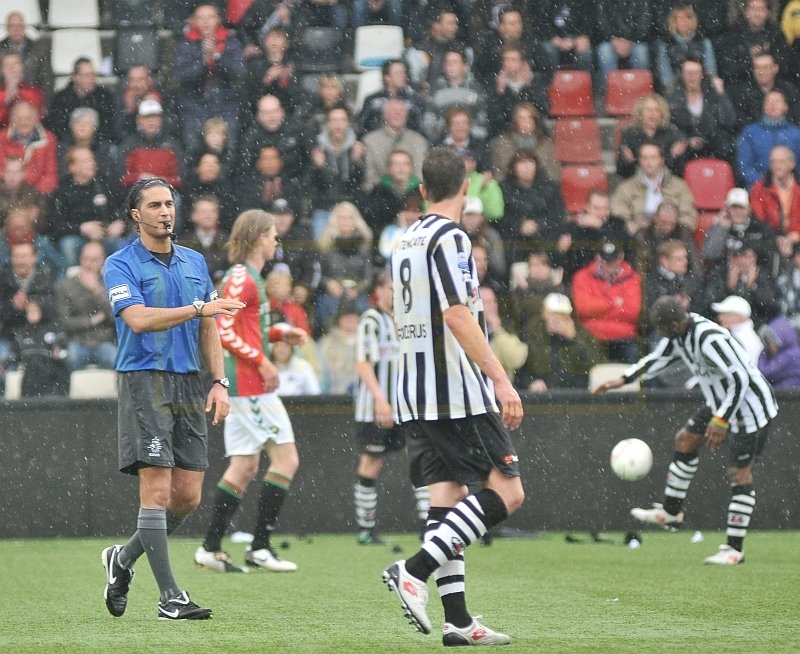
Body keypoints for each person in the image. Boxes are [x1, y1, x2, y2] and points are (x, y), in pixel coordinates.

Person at [381, 146, 524, 646]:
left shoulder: (404, 239)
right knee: (508, 492)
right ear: (466, 188)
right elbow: (458, 313)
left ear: (422, 190)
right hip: (454, 392)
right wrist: (500, 379)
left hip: (412, 389)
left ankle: (458, 621)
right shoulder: (452, 237)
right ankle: (412, 569)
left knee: (447, 502)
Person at [100, 177, 245, 621]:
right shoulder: (120, 264)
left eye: (169, 204)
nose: (166, 211)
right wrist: (199, 309)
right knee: (157, 490)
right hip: (145, 380)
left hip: (188, 383)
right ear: (136, 215)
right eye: (155, 205)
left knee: (187, 497)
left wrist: (219, 382)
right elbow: (139, 320)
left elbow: (210, 327)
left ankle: (121, 561)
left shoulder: (195, 262)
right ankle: (170, 598)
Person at [594, 296, 778, 565]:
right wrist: (623, 379)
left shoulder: (709, 338)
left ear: (675, 324)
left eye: (662, 328)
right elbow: (659, 359)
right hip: (721, 403)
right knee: (685, 440)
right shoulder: (680, 334)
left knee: (740, 475)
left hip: (751, 412)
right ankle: (671, 512)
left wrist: (721, 421)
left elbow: (741, 379)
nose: (660, 333)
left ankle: (733, 549)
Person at [195, 208, 307, 574]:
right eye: (273, 234)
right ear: (259, 236)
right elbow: (223, 332)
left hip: (245, 386)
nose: (276, 240)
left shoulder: (247, 276)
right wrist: (262, 360)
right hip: (249, 386)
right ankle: (260, 546)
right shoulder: (242, 277)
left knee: (244, 466)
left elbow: (245, 327)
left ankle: (210, 548)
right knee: (286, 461)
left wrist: (280, 333)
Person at [352, 269, 430, 544]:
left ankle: (427, 526)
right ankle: (366, 529)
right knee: (372, 462)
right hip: (376, 406)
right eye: (391, 288)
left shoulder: (408, 320)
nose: (396, 293)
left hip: (406, 406)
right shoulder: (371, 320)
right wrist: (380, 399)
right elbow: (362, 362)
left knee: (420, 458)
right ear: (380, 290)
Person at [55, 240, 116, 372]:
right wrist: (93, 320)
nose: (88, 264)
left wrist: (97, 291)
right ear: (80, 259)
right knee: (69, 359)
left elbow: (115, 317)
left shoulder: (110, 282)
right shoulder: (67, 285)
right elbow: (64, 322)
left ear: (102, 261)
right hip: (77, 341)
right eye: (85, 259)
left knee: (115, 359)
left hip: (104, 341)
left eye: (94, 260)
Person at [711, 295, 764, 365]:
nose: (720, 318)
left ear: (740, 317)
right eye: (720, 314)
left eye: (726, 314)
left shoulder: (747, 339)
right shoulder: (736, 335)